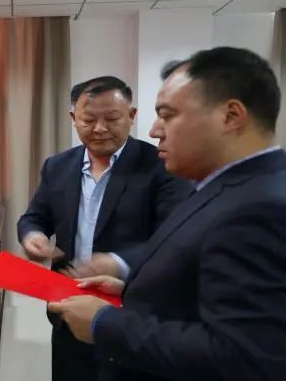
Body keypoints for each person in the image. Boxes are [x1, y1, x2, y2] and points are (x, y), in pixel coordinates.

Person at [48, 47, 286, 381]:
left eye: (168, 115)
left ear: (231, 116)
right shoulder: (223, 186)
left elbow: (246, 356)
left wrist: (104, 323)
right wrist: (131, 290)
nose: (154, 130)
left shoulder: (262, 206)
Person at [17, 76, 191, 381]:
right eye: (88, 120)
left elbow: (175, 238)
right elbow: (34, 217)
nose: (99, 128)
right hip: (68, 306)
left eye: (111, 119)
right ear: (73, 118)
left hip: (130, 314)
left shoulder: (161, 166)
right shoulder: (58, 166)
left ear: (132, 116)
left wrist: (119, 262)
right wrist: (34, 236)